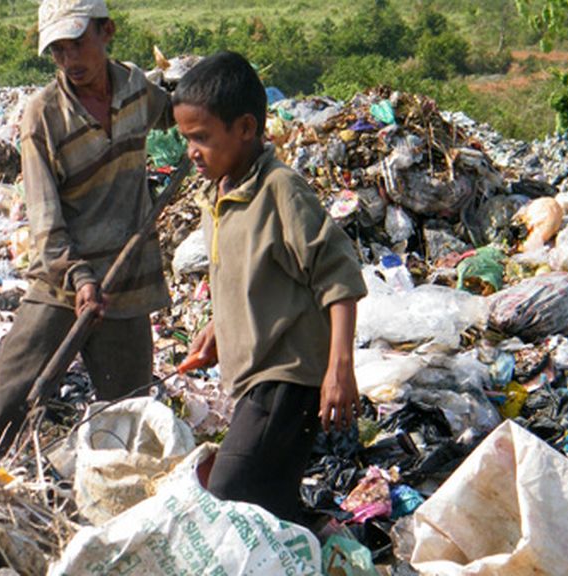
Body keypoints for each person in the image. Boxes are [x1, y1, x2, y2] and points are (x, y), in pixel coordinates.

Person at [0, 0, 174, 462]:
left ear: (106, 31)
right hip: (63, 281)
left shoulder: (137, 90)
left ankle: (113, 499)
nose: (69, 60)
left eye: (77, 43)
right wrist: (78, 277)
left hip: (127, 279)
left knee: (128, 416)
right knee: (8, 397)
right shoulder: (43, 115)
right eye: (57, 50)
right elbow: (43, 214)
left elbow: (179, 116)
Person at [172, 51, 367, 523]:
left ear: (244, 128)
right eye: (185, 139)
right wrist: (219, 327)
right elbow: (248, 273)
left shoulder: (280, 189)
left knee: (227, 492)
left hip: (288, 377)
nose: (191, 152)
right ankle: (324, 547)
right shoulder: (218, 193)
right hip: (254, 380)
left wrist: (339, 370)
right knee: (271, 506)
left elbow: (338, 277)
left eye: (201, 137)